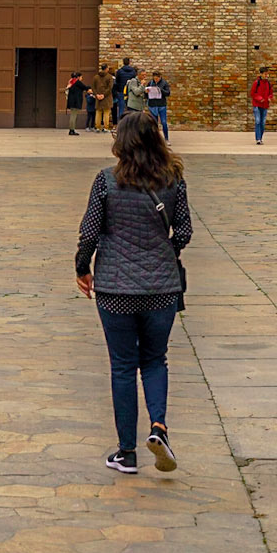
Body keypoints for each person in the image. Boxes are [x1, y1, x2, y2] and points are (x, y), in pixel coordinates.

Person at [76, 109, 191, 475]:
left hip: (115, 288)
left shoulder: (106, 182)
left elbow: (90, 232)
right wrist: (163, 253)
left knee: (123, 366)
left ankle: (127, 452)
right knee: (156, 360)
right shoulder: (173, 180)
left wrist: (82, 267)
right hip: (161, 288)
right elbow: (185, 232)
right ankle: (159, 427)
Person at [250, 68, 273, 145]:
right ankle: (258, 139)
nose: (266, 76)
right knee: (257, 121)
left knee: (262, 122)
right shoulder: (256, 83)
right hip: (257, 104)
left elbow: (271, 93)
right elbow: (252, 93)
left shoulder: (268, 83)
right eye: (265, 74)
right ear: (261, 74)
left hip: (265, 105)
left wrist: (269, 98)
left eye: (267, 74)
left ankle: (260, 137)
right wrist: (260, 99)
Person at [113, 56, 136, 124]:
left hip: (121, 91)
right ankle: (130, 124)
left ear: (123, 62)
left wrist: (118, 90)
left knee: (121, 109)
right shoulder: (133, 71)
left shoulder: (120, 71)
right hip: (130, 92)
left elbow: (117, 81)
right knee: (130, 108)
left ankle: (120, 124)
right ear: (129, 62)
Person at [146, 70, 170, 136]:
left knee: (164, 122)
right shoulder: (150, 83)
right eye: (154, 78)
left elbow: (168, 93)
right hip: (152, 104)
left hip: (161, 104)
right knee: (154, 123)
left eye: (157, 78)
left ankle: (166, 137)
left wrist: (160, 90)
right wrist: (146, 92)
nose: (156, 80)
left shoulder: (164, 83)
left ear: (160, 77)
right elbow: (146, 95)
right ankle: (155, 138)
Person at [93, 66, 115, 131]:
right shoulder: (109, 77)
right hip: (107, 97)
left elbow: (93, 87)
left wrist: (97, 94)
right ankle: (106, 127)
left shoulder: (96, 77)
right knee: (106, 112)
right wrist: (104, 95)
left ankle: (97, 127)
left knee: (98, 112)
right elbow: (110, 87)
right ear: (106, 69)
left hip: (98, 97)